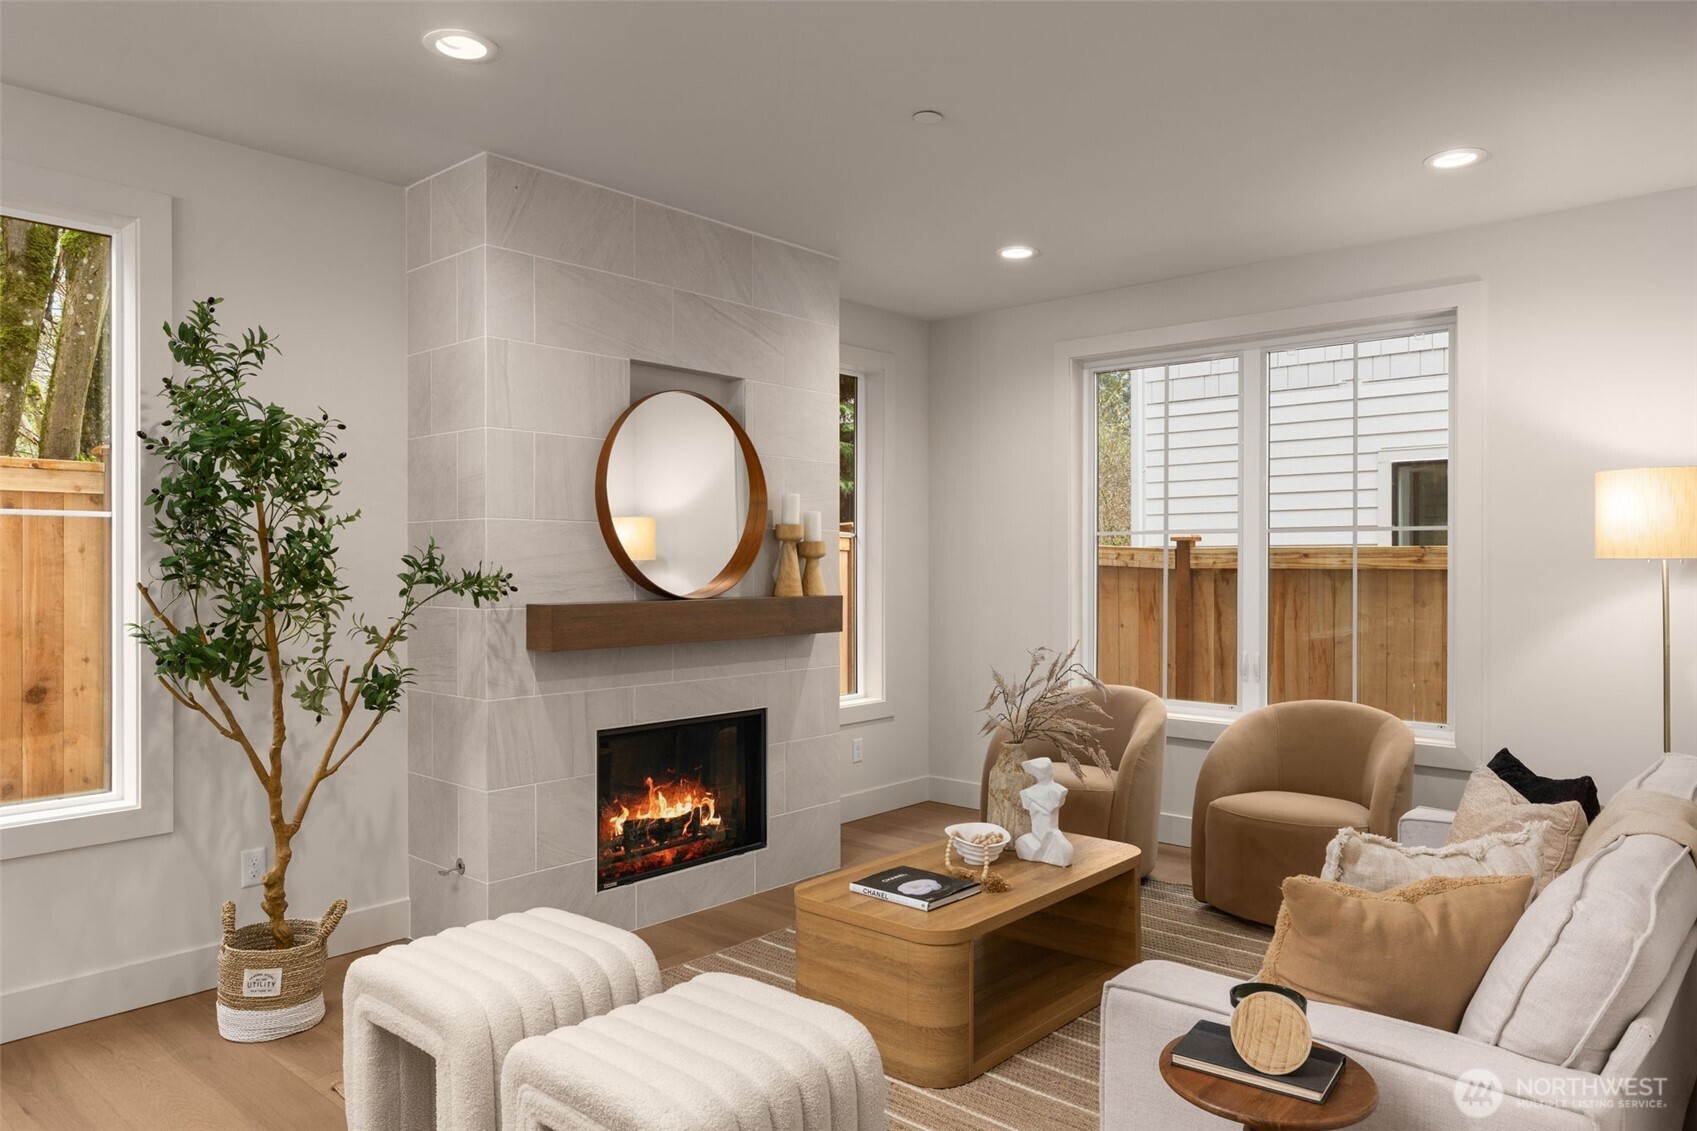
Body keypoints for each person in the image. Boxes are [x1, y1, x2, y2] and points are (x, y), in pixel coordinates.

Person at [1015, 757, 1073, 866]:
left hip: (1051, 836)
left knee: (1066, 852)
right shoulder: (1027, 793)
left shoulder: (1059, 791)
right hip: (1036, 837)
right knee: (1020, 844)